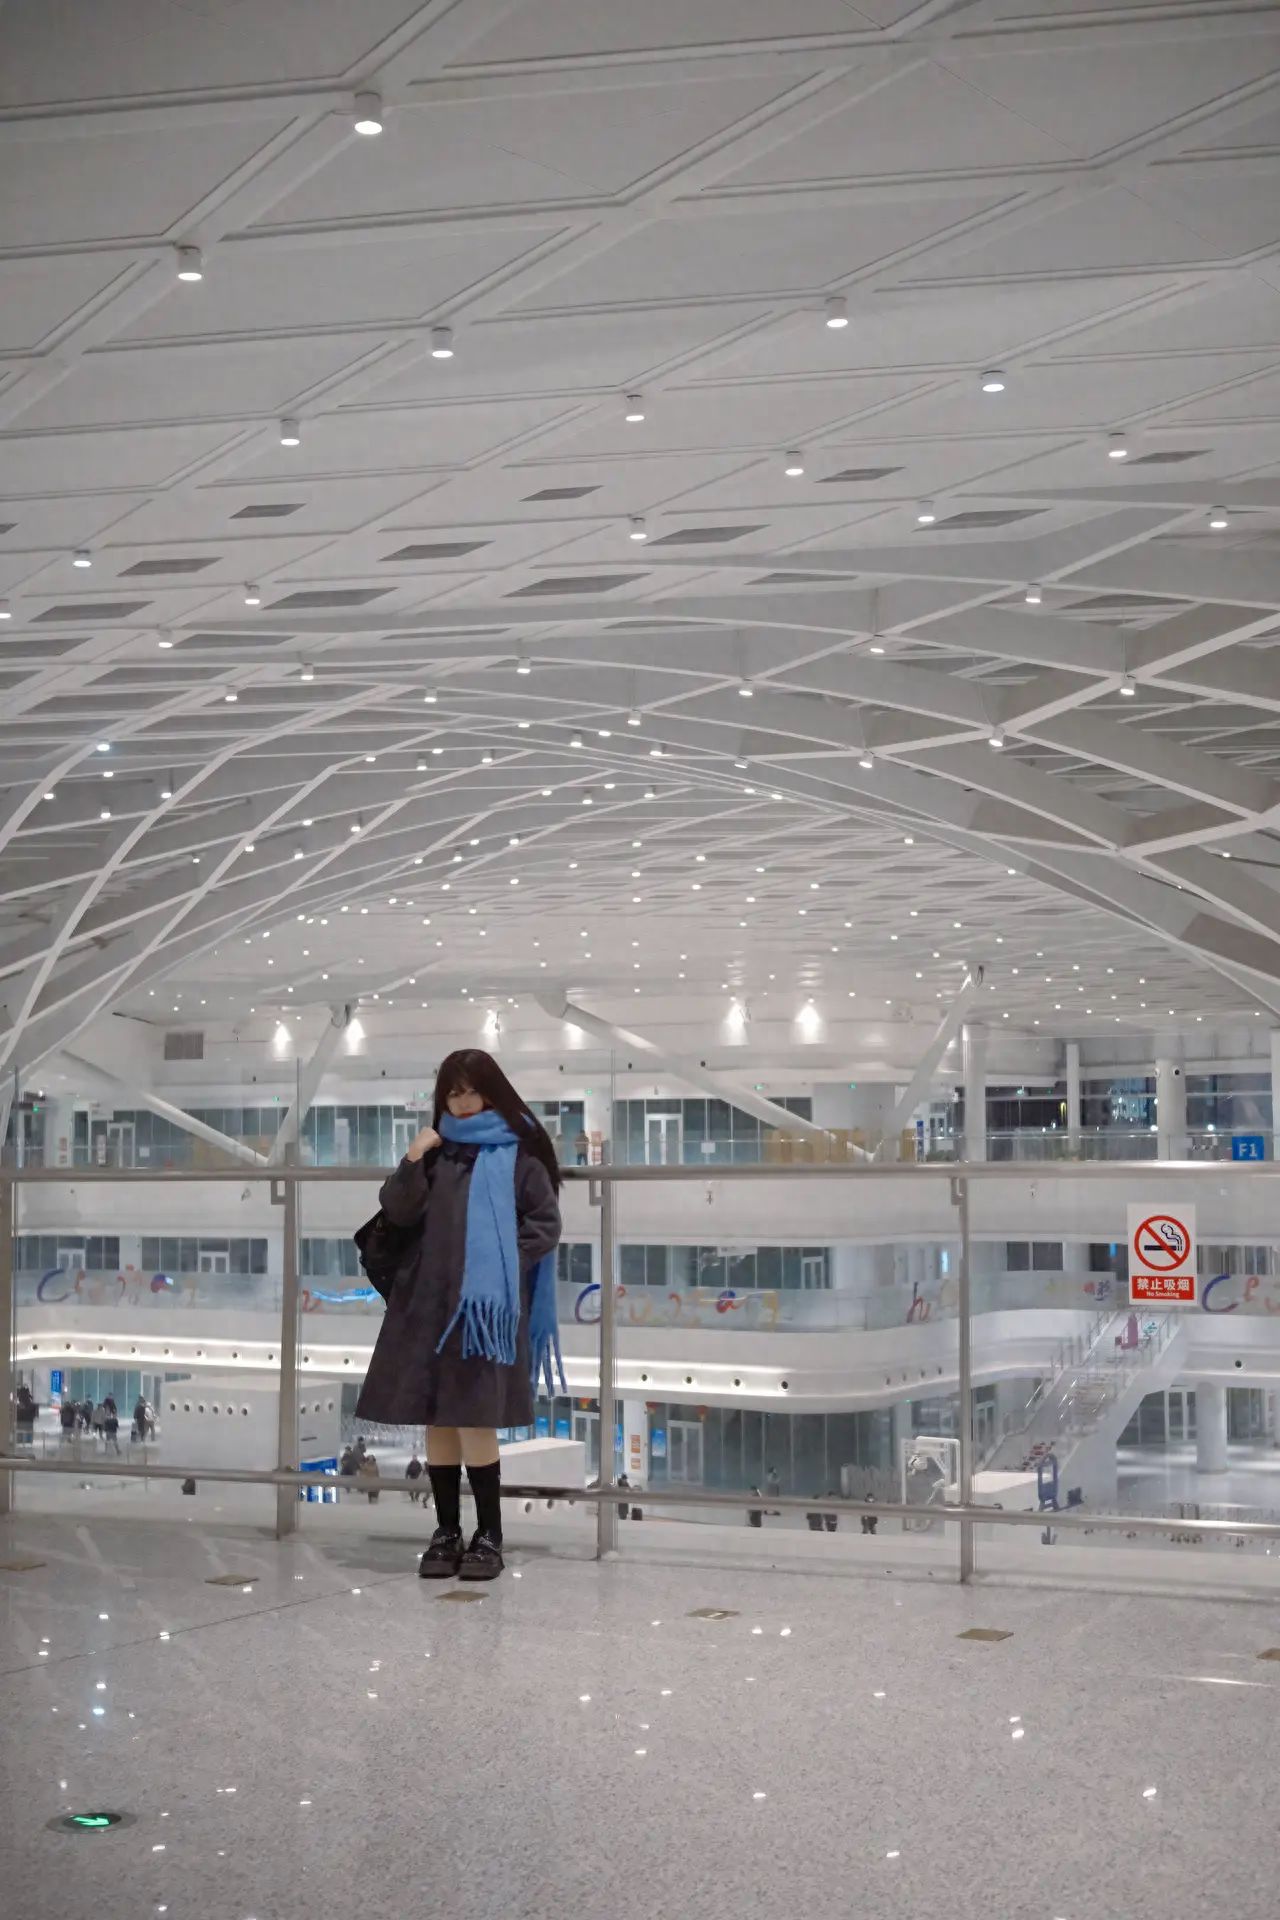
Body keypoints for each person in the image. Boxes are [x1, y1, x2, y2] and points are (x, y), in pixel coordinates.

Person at [356, 1048, 562, 1583]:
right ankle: (446, 1531)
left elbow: (544, 1224)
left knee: (475, 1416)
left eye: (470, 1090)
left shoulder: (519, 1157)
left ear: (491, 1090)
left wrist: (498, 1266)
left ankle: (489, 1534)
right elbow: (398, 1211)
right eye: (452, 1091)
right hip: (427, 1300)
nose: (462, 1101)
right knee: (439, 1417)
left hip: (481, 1312)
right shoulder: (437, 1153)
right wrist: (412, 1157)